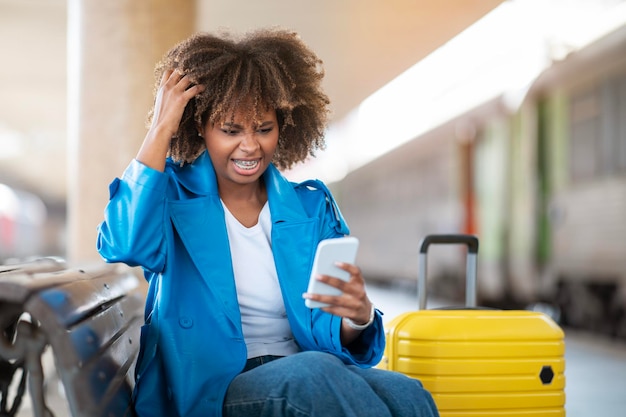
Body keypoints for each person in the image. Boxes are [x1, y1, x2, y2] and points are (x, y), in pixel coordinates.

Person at [96, 28, 439, 417]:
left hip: (305, 369)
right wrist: (160, 129)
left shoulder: (311, 207)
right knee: (313, 375)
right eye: (230, 130)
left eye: (264, 128)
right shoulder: (170, 197)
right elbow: (122, 244)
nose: (250, 146)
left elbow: (327, 325)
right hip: (214, 386)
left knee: (407, 393)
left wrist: (357, 318)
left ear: (284, 126)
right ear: (199, 127)